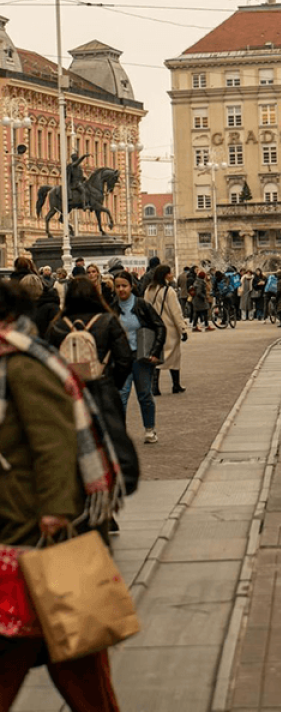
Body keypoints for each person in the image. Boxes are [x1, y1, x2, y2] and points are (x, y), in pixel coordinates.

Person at [0, 279, 123, 712]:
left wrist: (53, 512)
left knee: (76, 662)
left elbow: (53, 444)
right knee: (76, 663)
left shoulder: (24, 368)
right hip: (22, 532)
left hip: (33, 532)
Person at [46, 276, 137, 505]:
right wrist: (111, 382)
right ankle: (110, 502)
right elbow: (125, 358)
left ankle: (84, 499)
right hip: (102, 388)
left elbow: (48, 361)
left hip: (70, 395)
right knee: (109, 446)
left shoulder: (57, 325)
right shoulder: (107, 320)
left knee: (76, 448)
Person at [112, 270, 165, 444]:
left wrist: (155, 352)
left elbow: (160, 326)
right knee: (121, 395)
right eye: (118, 286)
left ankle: (149, 429)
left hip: (141, 357)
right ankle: (120, 433)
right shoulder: (112, 307)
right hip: (121, 358)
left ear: (131, 286)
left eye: (124, 286)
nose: (121, 290)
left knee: (144, 394)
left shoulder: (142, 305)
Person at [144, 264, 189, 394]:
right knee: (174, 358)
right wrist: (183, 329)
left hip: (154, 328)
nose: (172, 274)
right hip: (169, 329)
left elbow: (146, 309)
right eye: (170, 273)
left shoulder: (148, 290)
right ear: (165, 275)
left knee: (156, 356)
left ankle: (154, 387)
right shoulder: (169, 291)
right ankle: (176, 385)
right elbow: (176, 313)